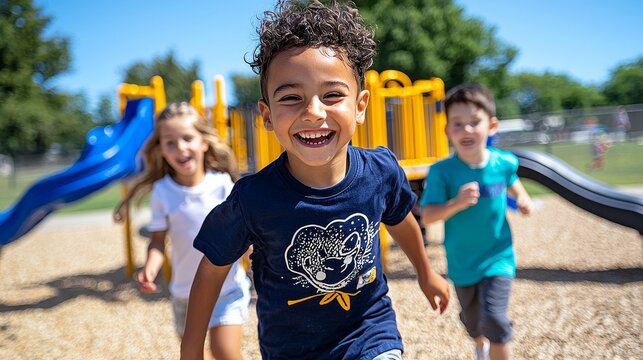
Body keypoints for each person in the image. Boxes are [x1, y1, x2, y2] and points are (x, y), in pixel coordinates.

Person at [181, 1, 450, 359]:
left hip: (369, 333)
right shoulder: (254, 200)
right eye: (291, 98)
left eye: (333, 95)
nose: (314, 112)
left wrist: (425, 272)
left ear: (360, 105)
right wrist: (190, 350)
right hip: (292, 349)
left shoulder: (380, 172)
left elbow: (401, 221)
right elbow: (212, 270)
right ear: (267, 115)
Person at [113, 102, 251, 360]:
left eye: (188, 138)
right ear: (161, 150)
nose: (181, 148)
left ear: (204, 142)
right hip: (185, 294)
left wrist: (254, 253)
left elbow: (246, 232)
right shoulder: (163, 192)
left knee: (226, 353)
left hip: (227, 289)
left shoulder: (223, 186)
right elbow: (157, 241)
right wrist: (150, 268)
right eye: (170, 143)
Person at [419, 84, 534, 360]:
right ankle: (479, 345)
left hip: (499, 257)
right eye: (458, 124)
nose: (467, 130)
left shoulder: (504, 162)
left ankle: (494, 342)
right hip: (462, 263)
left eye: (474, 122)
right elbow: (428, 215)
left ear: (492, 126)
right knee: (474, 324)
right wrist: (455, 203)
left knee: (495, 319)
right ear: (448, 131)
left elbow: (511, 180)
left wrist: (522, 197)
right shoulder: (442, 172)